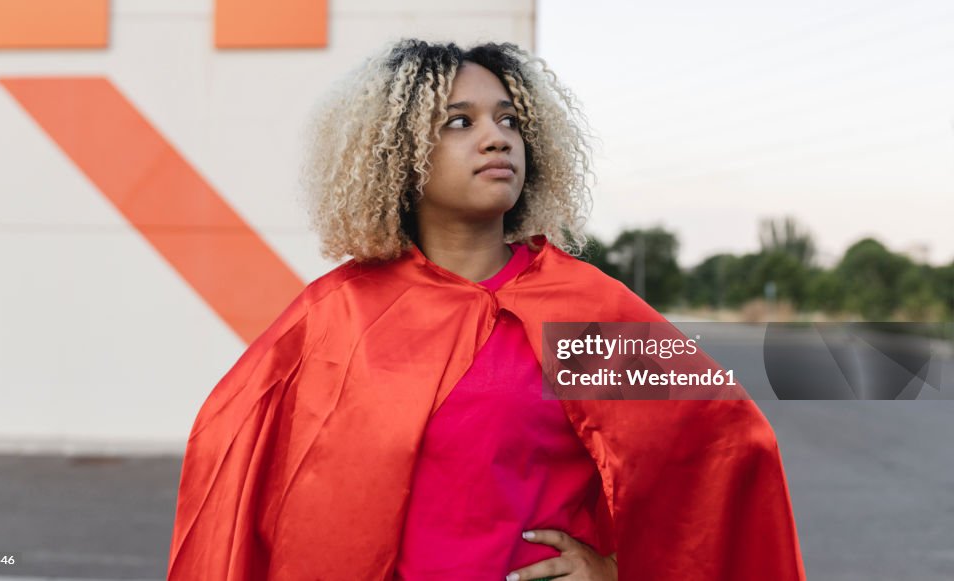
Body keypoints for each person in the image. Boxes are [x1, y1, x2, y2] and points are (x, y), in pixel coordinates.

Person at [166, 39, 806, 580]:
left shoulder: (584, 310)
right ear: (399, 156)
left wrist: (615, 566)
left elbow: (726, 454)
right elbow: (233, 464)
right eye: (459, 122)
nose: (496, 138)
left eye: (509, 120)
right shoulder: (339, 314)